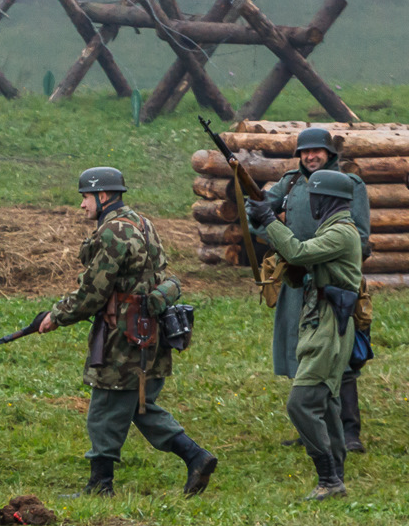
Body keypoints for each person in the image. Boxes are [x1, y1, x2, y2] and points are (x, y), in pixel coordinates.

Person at [38, 167, 216, 496]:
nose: (82, 206)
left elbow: (92, 293)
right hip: (147, 331)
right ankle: (196, 456)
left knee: (105, 408)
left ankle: (99, 485)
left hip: (123, 335)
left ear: (103, 196)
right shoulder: (142, 223)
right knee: (137, 405)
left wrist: (55, 316)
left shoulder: (112, 233)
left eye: (85, 198)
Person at [250, 127, 371, 453]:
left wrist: (319, 253)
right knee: (300, 350)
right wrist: (260, 214)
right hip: (296, 281)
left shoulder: (349, 184)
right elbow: (257, 221)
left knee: (340, 359)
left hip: (333, 282)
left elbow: (361, 239)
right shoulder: (289, 183)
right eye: (305, 152)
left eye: (317, 151)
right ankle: (311, 428)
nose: (311, 156)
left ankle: (349, 432)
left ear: (329, 153)